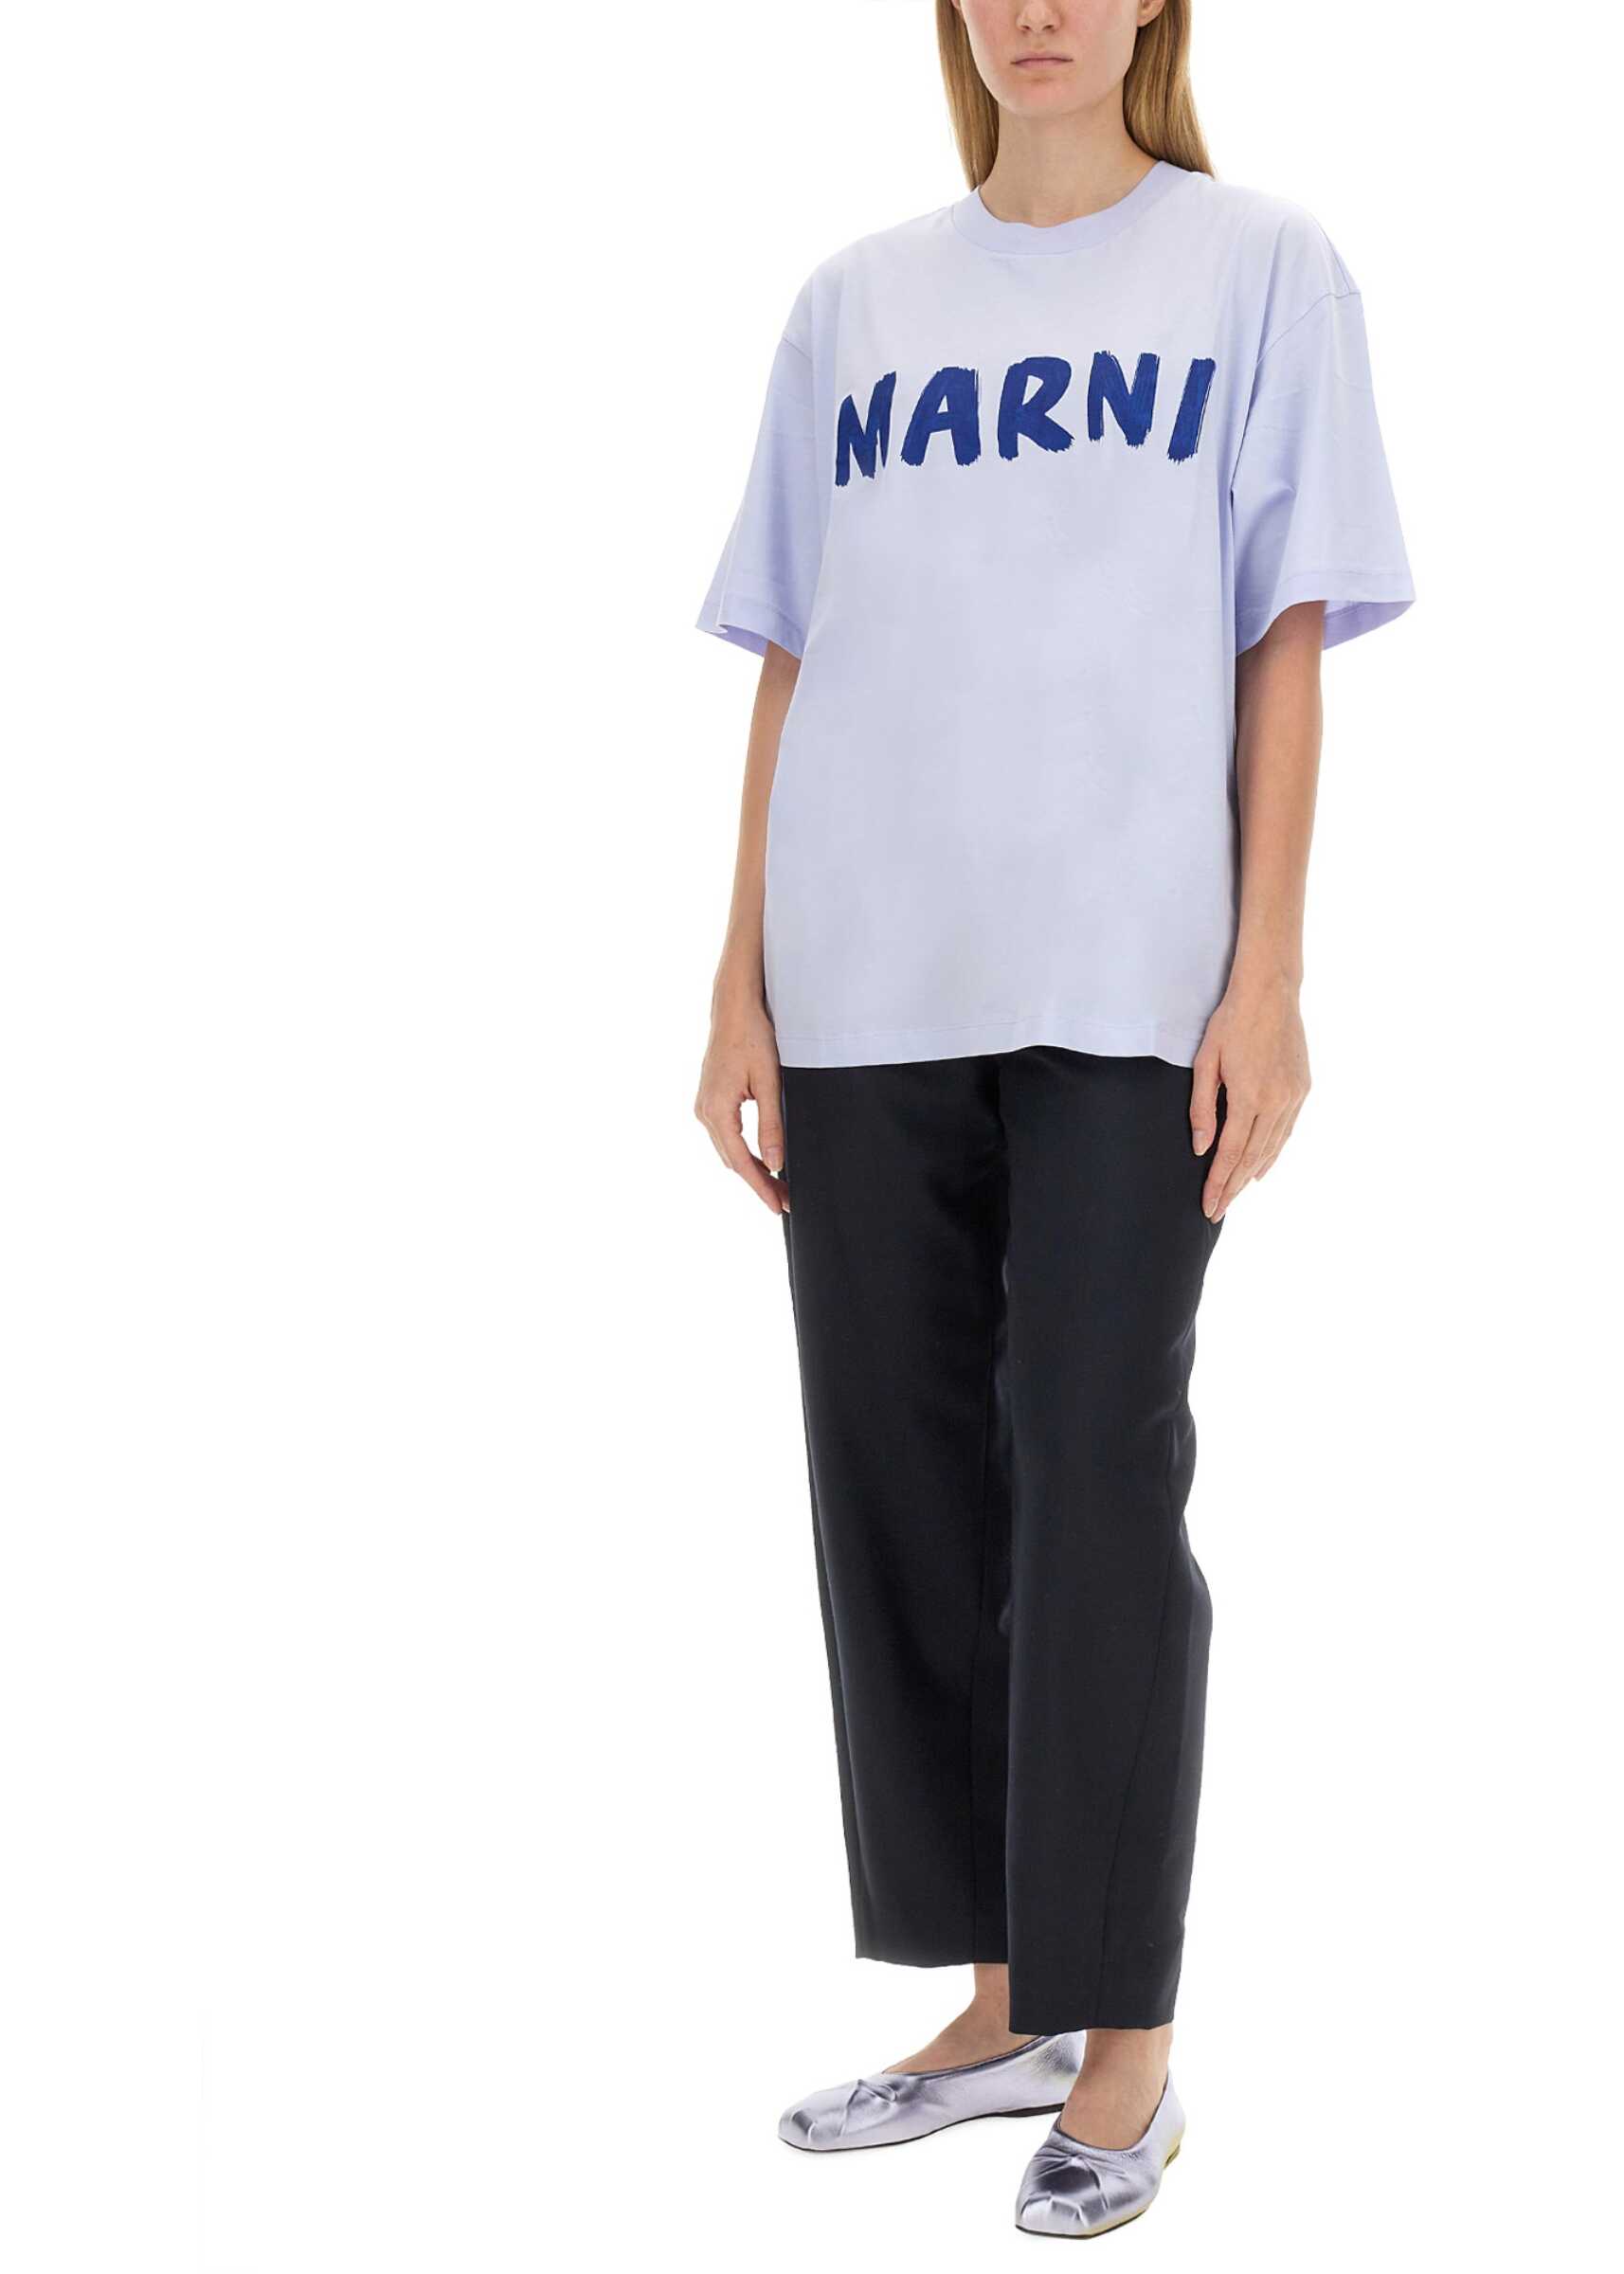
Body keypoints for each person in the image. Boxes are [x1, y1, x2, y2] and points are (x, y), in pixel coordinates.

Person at [694, 0, 1411, 2239]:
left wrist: (1266, 971)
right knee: (901, 1489)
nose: (1035, 12)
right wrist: (738, 974)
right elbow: (795, 647)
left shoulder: (1256, 266)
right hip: (863, 980)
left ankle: (1125, 2055)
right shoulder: (852, 303)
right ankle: (998, 2004)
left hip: (1123, 983)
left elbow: (1279, 634)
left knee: (1093, 1476)